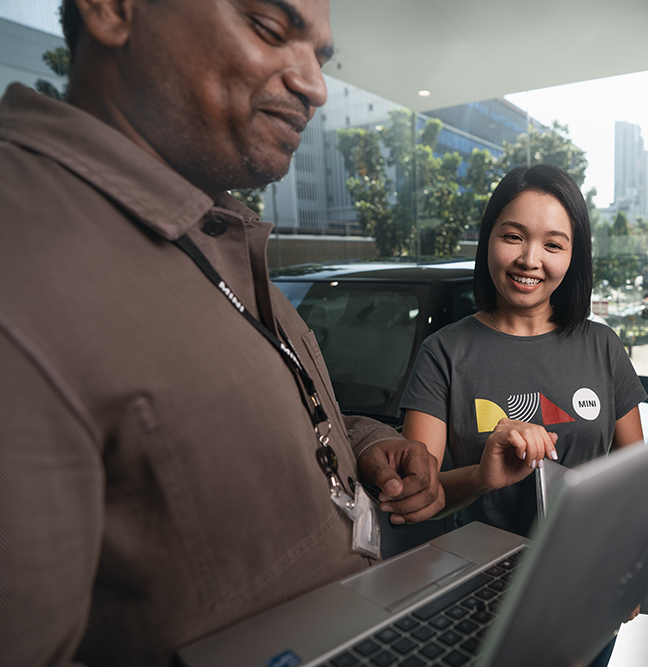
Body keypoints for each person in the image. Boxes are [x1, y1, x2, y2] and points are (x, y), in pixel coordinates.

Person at [0, 1, 444, 665]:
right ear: (111, 9)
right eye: (269, 28)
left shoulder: (215, 231)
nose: (316, 87)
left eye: (320, 58)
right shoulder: (25, 257)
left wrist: (371, 444)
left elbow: (274, 417)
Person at [399, 164, 648, 665]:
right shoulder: (443, 353)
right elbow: (415, 501)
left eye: (554, 245)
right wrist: (482, 477)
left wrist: (635, 569)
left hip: (587, 585)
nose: (530, 260)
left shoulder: (602, 345)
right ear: (488, 239)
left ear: (573, 256)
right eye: (513, 237)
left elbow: (637, 479)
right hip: (483, 592)